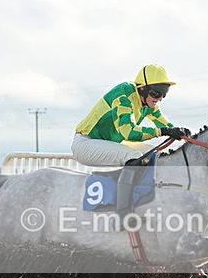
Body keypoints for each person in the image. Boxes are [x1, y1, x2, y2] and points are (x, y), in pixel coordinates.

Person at [72, 64, 190, 216]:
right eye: (156, 94)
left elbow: (164, 124)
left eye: (163, 94)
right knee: (133, 156)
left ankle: (142, 198)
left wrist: (180, 133)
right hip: (85, 144)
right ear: (143, 89)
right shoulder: (124, 94)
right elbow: (128, 132)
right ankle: (122, 214)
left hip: (106, 144)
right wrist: (163, 131)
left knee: (152, 154)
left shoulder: (147, 103)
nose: (159, 99)